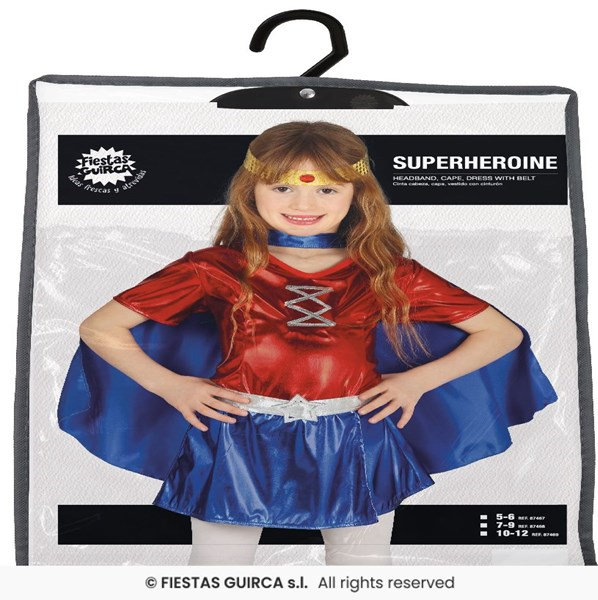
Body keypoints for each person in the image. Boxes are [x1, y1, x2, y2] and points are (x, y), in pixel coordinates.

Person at [61, 121, 557, 566]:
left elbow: (501, 333)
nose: (303, 204)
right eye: (282, 187)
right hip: (236, 435)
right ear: (251, 189)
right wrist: (172, 387)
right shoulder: (213, 268)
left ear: (356, 194)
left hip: (355, 434)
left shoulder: (386, 272)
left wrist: (417, 382)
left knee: (364, 569)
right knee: (218, 568)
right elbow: (100, 327)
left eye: (326, 189)